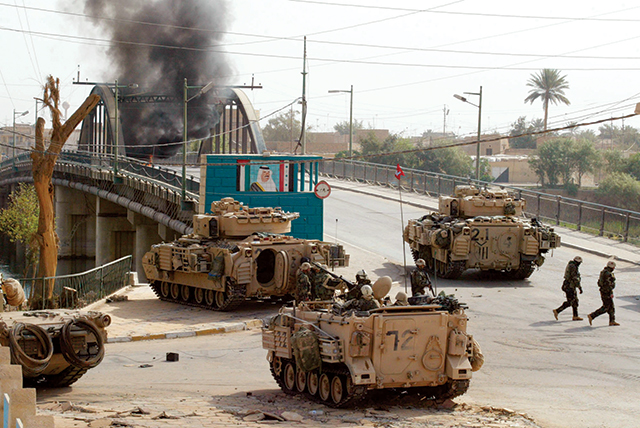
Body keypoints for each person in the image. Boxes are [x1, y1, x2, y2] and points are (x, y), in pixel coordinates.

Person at [588, 261, 620, 326]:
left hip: (604, 291)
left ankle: (612, 321)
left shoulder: (604, 272)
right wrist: (610, 292)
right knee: (606, 307)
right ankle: (592, 315)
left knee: (611, 307)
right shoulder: (608, 274)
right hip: (606, 292)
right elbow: (608, 284)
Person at [553, 256, 583, 321]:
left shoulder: (572, 265)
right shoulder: (573, 267)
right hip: (569, 286)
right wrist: (580, 287)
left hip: (570, 286)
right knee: (570, 301)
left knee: (575, 301)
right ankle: (557, 311)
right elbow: (575, 278)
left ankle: (575, 316)